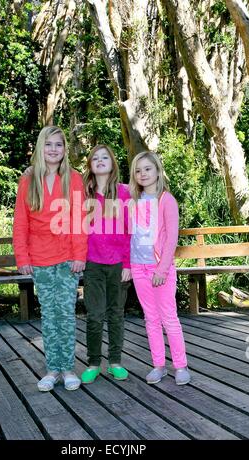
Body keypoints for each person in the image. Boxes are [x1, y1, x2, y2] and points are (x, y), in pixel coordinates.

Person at [13, 126, 87, 392]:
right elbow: (21, 223)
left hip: (67, 257)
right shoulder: (28, 181)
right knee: (49, 314)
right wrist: (22, 256)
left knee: (66, 313)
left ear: (65, 150)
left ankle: (68, 368)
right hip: (39, 257)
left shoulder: (74, 179)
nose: (54, 149)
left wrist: (80, 255)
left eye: (59, 145)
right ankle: (52, 369)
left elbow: (79, 220)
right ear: (40, 148)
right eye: (49, 144)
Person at [129, 151, 191, 385]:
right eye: (138, 170)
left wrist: (161, 270)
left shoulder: (166, 200)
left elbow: (171, 239)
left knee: (169, 317)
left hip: (160, 269)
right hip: (138, 267)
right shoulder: (133, 200)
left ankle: (181, 366)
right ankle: (159, 365)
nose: (142, 174)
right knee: (150, 318)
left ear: (157, 171)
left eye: (147, 169)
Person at [80, 144, 131, 384]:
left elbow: (131, 231)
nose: (100, 161)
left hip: (119, 264)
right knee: (95, 315)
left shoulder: (124, 193)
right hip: (92, 264)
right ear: (90, 165)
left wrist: (129, 264)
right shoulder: (83, 193)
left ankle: (115, 361)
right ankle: (93, 362)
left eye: (105, 157)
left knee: (116, 314)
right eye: (95, 158)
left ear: (112, 164)